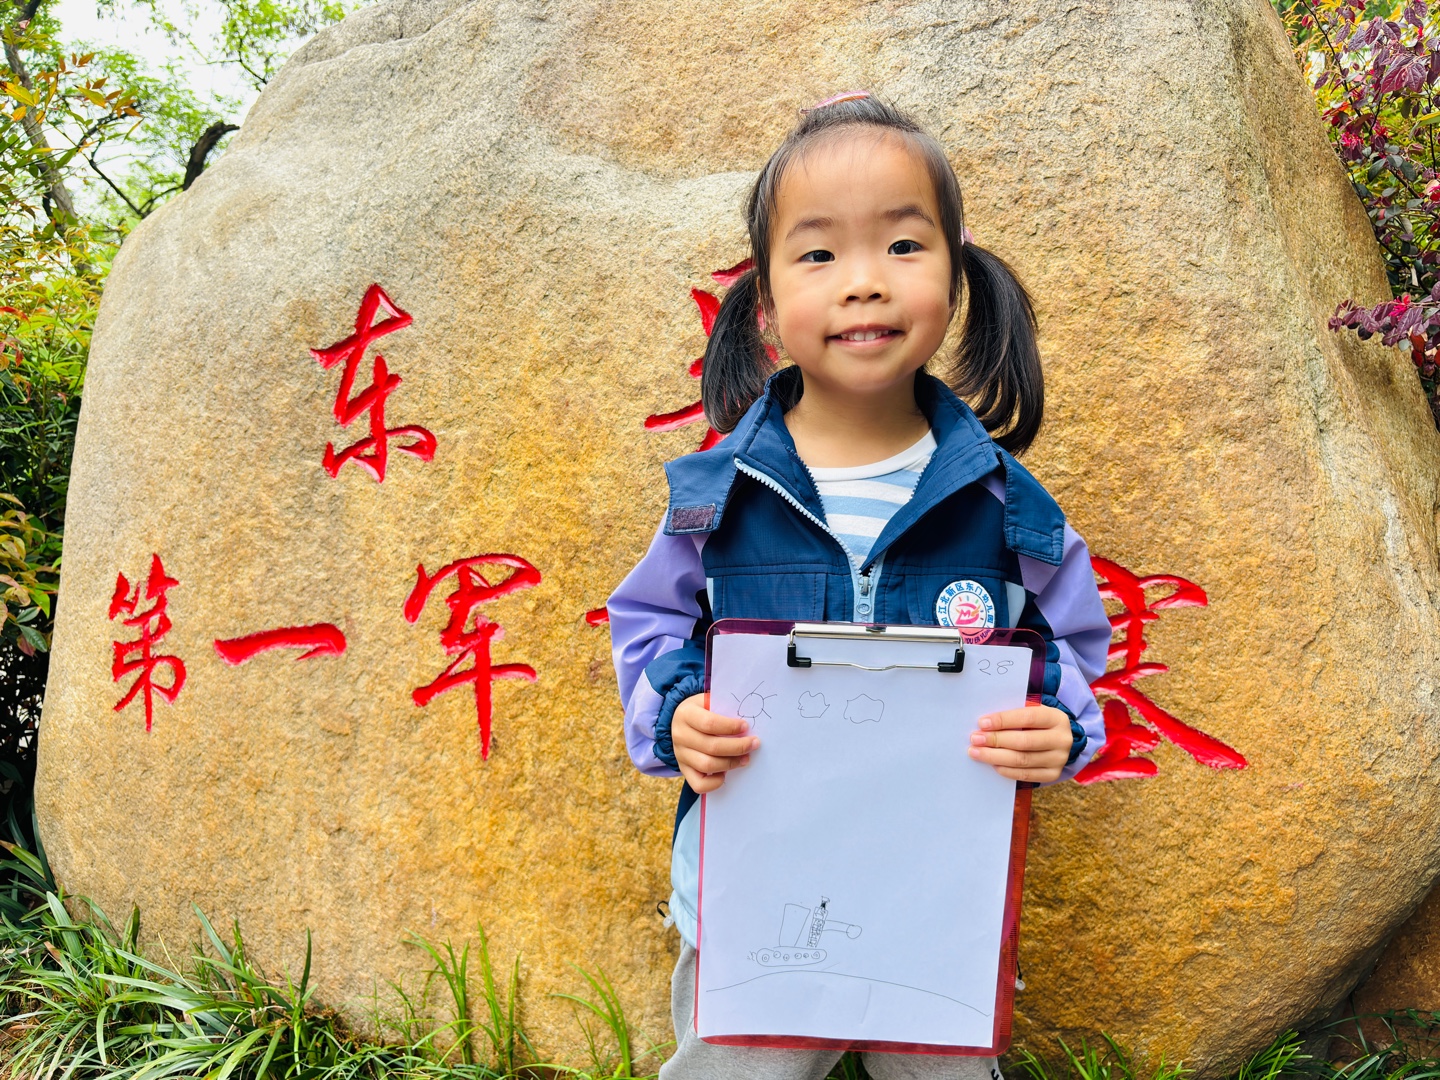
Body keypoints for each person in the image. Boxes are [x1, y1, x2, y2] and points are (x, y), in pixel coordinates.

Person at [606, 91, 1113, 1080]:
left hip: (941, 899)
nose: (865, 282)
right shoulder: (717, 496)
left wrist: (1060, 720)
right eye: (819, 253)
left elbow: (1073, 643)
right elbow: (649, 622)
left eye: (904, 245)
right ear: (763, 304)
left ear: (956, 277)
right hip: (755, 894)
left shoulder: (1007, 505)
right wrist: (678, 713)